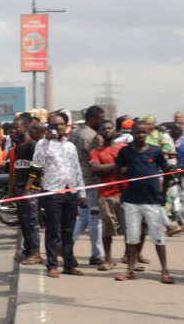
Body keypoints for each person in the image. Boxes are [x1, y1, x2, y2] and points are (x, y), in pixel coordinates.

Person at [114, 121, 173, 284]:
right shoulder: (125, 151)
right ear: (132, 133)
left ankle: (164, 271)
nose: (141, 135)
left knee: (158, 236)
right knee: (132, 236)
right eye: (138, 132)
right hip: (132, 200)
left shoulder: (155, 151)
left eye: (144, 132)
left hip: (152, 200)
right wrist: (122, 191)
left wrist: (163, 194)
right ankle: (130, 270)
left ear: (147, 133)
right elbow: (117, 170)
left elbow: (166, 172)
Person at [29, 112, 86, 278]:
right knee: (53, 231)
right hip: (53, 192)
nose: (58, 127)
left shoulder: (70, 146)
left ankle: (68, 264)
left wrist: (81, 191)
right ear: (49, 126)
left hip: (71, 192)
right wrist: (47, 141)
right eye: (54, 125)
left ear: (66, 126)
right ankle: (52, 265)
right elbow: (37, 163)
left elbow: (77, 169)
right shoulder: (43, 143)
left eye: (61, 124)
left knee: (68, 231)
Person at [70, 105, 105, 267]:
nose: (102, 123)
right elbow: (97, 159)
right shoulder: (93, 137)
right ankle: (97, 254)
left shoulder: (75, 132)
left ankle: (67, 244)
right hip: (91, 182)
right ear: (92, 119)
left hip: (78, 181)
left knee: (84, 217)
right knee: (95, 219)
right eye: (101, 119)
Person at [90, 120, 127, 272]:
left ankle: (129, 257)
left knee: (128, 228)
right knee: (107, 229)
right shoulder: (96, 152)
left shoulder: (123, 149)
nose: (106, 130)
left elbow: (128, 168)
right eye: (103, 129)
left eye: (109, 128)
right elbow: (95, 170)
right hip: (105, 195)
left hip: (124, 193)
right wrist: (117, 166)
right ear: (99, 133)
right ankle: (108, 259)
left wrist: (107, 168)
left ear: (115, 130)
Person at [9, 116, 42, 265]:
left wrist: (28, 189)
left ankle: (36, 253)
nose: (14, 130)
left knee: (32, 222)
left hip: (31, 189)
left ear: (25, 128)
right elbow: (17, 172)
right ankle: (28, 250)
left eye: (16, 127)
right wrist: (11, 192)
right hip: (21, 189)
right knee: (24, 222)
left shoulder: (32, 145)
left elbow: (36, 168)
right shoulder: (17, 148)